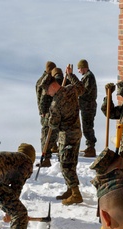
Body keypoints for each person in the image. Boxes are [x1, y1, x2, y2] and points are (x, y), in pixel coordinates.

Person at [44, 64, 84, 205]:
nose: (47, 94)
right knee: (72, 162)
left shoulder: (55, 104)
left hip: (66, 137)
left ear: (53, 86)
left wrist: (49, 118)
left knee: (66, 164)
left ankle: (75, 193)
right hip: (77, 133)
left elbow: (53, 124)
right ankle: (69, 188)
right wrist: (71, 75)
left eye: (47, 90)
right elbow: (81, 87)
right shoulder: (71, 89)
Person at [36, 60, 59, 166]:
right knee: (47, 134)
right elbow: (43, 98)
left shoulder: (40, 79)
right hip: (48, 112)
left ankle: (51, 150)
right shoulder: (48, 80)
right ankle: (46, 158)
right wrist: (43, 111)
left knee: (49, 133)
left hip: (45, 112)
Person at [77, 59, 98, 158]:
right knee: (87, 127)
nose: (79, 71)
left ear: (83, 68)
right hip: (86, 106)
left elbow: (84, 91)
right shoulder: (87, 76)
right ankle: (89, 146)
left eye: (79, 68)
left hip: (88, 107)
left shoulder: (89, 77)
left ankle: (91, 148)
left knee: (88, 127)